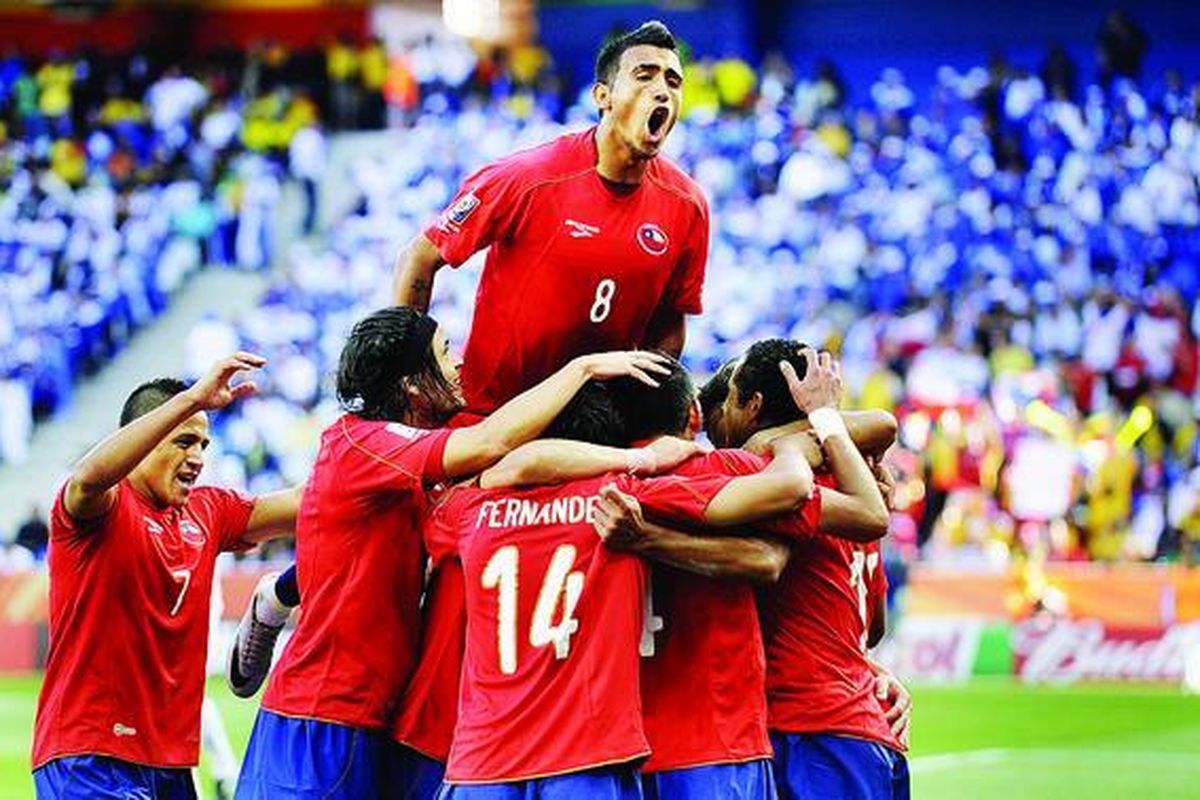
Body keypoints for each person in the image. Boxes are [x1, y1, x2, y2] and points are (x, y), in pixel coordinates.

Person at [234, 306, 673, 800]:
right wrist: (583, 367)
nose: (459, 362)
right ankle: (276, 597)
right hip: (317, 712)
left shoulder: (415, 450)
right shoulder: (365, 442)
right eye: (445, 353)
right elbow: (496, 442)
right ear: (413, 387)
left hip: (382, 710)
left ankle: (281, 591)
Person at [489, 349, 895, 800]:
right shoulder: (726, 471)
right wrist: (800, 434)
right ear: (695, 414)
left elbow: (510, 464)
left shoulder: (572, 493)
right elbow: (787, 550)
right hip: (719, 742)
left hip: (605, 752)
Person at [423, 376, 816, 798]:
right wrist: (795, 443)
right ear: (692, 415)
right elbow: (809, 505)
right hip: (596, 754)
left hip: (482, 762)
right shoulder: (622, 494)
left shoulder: (472, 508)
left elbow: (510, 467)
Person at [392, 19, 707, 415]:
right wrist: (408, 378)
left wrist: (653, 405)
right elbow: (419, 258)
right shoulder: (527, 177)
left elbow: (669, 324)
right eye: (644, 76)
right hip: (489, 419)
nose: (662, 90)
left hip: (597, 436)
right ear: (603, 96)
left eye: (673, 82)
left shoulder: (688, 204)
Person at [31, 353, 303, 800]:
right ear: (145, 438)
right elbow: (86, 480)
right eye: (182, 441)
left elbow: (308, 503)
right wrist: (193, 397)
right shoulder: (101, 508)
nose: (196, 457)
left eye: (202, 445)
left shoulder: (209, 511)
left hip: (171, 766)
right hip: (90, 757)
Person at [714, 339, 913, 800]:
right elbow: (872, 628)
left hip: (812, 728)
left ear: (753, 406)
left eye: (729, 402)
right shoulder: (851, 477)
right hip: (865, 721)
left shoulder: (775, 483)